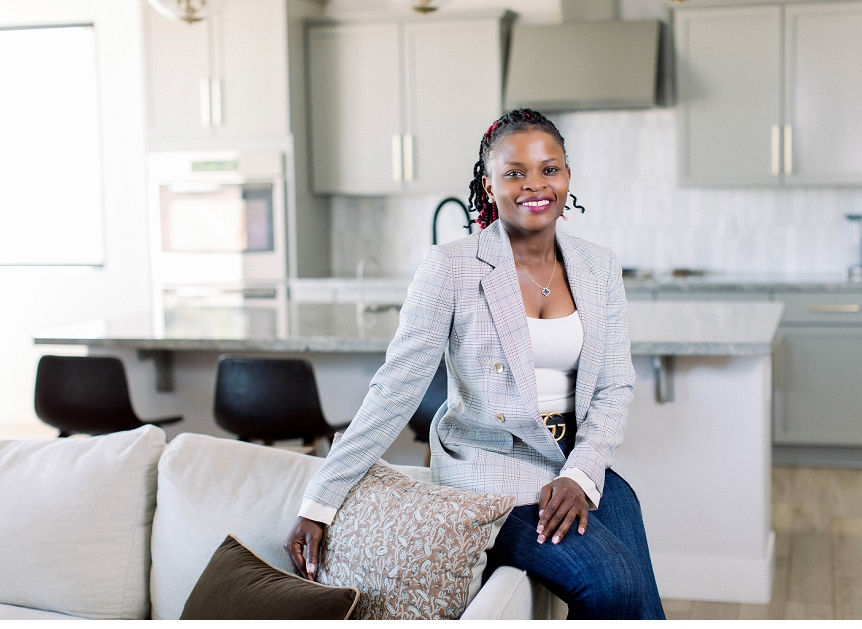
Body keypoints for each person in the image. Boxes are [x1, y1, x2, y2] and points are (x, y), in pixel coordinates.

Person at [284, 108, 665, 620]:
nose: (536, 185)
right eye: (515, 172)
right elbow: (395, 390)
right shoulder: (451, 267)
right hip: (491, 471)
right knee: (612, 584)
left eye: (549, 169)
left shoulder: (599, 266)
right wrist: (320, 501)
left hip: (577, 461)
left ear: (568, 176)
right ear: (489, 185)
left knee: (639, 593)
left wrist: (581, 473)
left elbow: (614, 385)